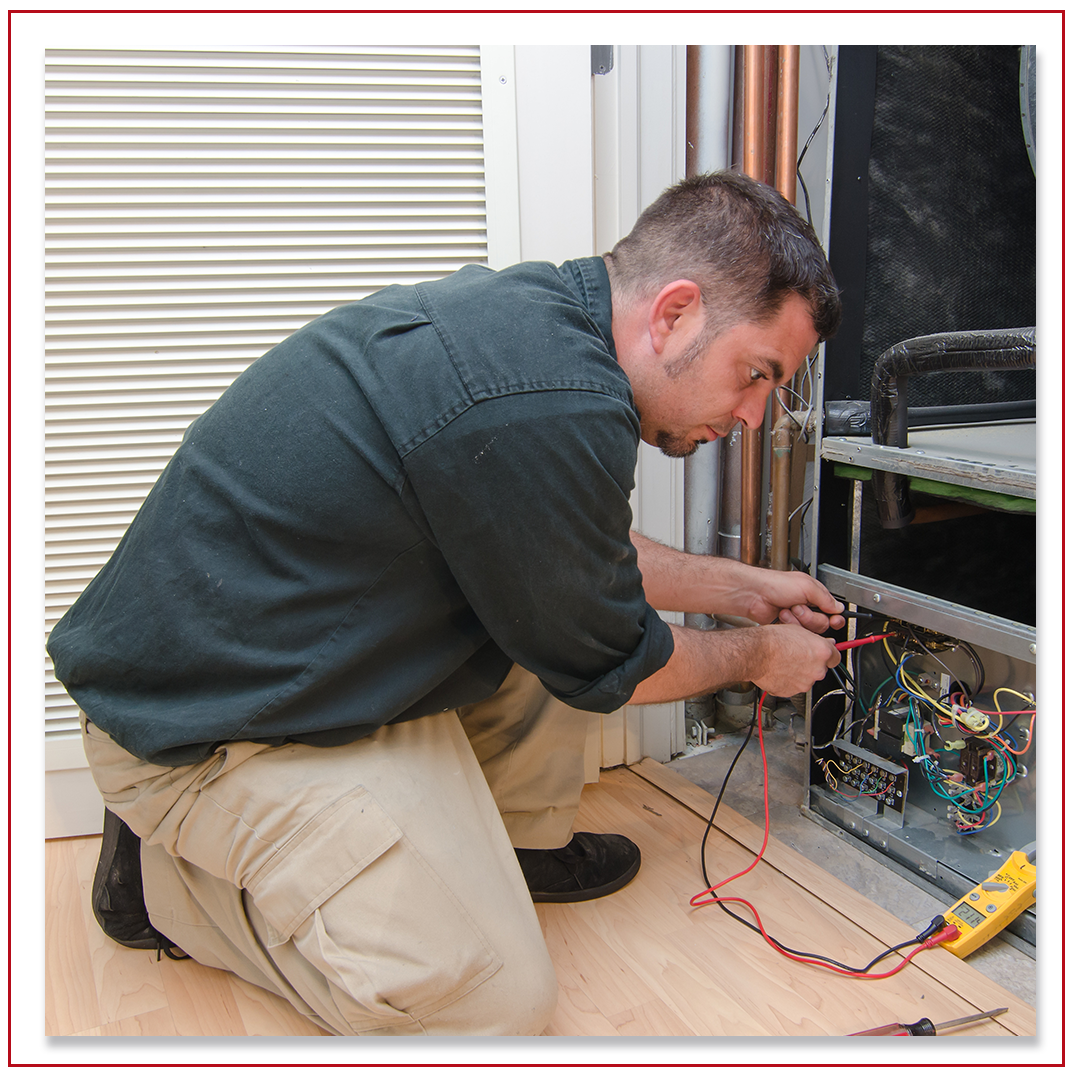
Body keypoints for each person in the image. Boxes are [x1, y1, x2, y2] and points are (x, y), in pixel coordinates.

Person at [47, 170, 845, 1036]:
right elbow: (625, 660)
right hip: (203, 730)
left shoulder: (543, 325)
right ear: (677, 312)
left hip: (278, 657)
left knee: (551, 615)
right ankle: (166, 889)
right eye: (757, 374)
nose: (759, 415)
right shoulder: (551, 405)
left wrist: (745, 589)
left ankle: (509, 850)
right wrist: (761, 657)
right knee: (487, 1006)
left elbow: (568, 548)